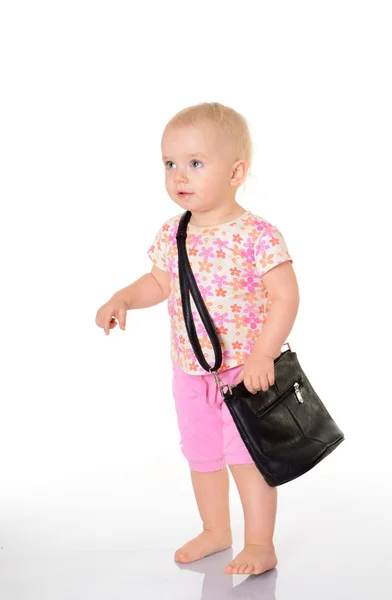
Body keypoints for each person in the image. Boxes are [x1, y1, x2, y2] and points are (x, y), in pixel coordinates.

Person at [95, 102, 300, 576]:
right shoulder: (174, 232)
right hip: (190, 371)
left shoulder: (257, 235)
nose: (178, 175)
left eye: (194, 163)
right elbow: (159, 282)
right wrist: (124, 297)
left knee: (246, 458)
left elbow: (286, 297)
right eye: (169, 164)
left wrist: (264, 353)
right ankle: (215, 530)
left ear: (236, 171)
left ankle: (259, 543)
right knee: (203, 455)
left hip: (245, 372)